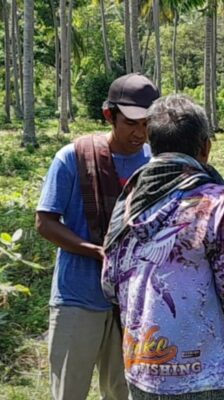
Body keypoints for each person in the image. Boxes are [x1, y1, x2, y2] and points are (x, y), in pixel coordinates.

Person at [101, 94, 224, 399]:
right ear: (206, 148)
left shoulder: (129, 201)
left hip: (141, 365)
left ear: (150, 145)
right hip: (200, 374)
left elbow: (108, 282)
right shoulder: (219, 201)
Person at [36, 73, 159, 400]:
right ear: (109, 115)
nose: (140, 132)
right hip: (77, 297)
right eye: (132, 123)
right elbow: (45, 222)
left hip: (131, 302)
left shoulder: (153, 163)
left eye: (148, 123)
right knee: (69, 390)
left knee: (122, 391)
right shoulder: (73, 158)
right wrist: (94, 250)